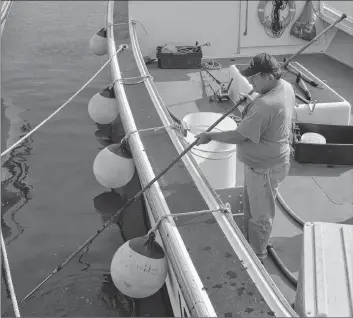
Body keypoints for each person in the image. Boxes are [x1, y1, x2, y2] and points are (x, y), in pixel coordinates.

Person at [196, 53, 295, 261]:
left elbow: (238, 135)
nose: (251, 81)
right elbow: (266, 114)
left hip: (264, 168)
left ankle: (257, 255)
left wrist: (209, 136)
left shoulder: (265, 106)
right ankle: (251, 244)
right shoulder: (284, 87)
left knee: (260, 214)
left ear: (269, 76)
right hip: (263, 165)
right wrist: (251, 102)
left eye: (255, 77)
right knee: (251, 206)